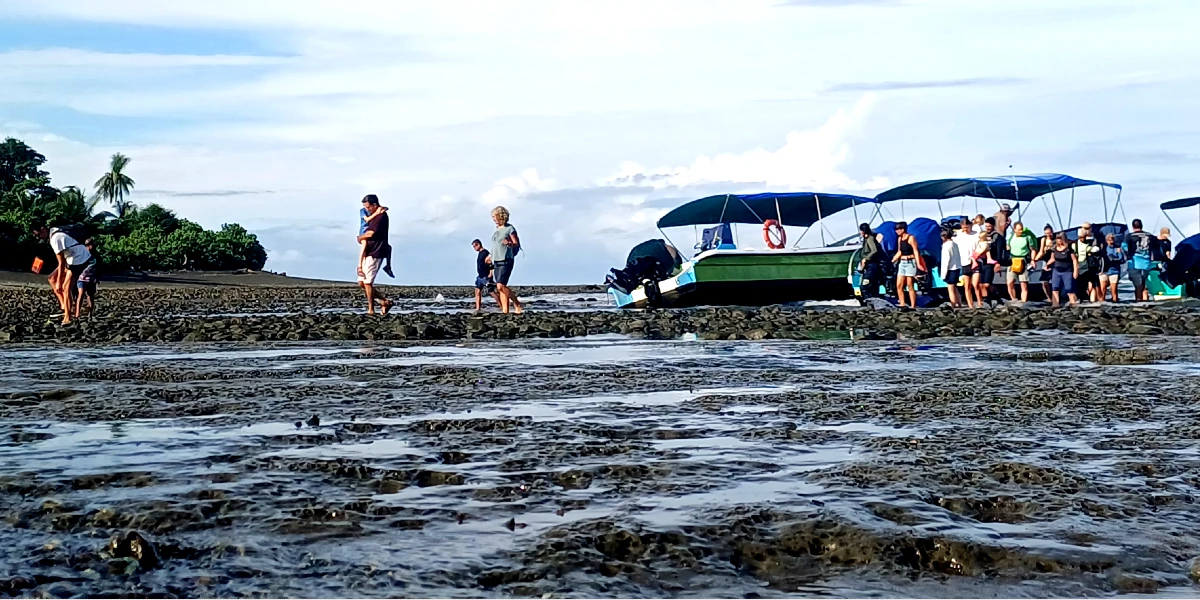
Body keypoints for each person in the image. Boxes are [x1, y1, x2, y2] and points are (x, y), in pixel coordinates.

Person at [32, 222, 94, 325]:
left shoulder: (55, 238)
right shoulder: (54, 231)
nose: (39, 238)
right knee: (52, 278)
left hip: (79, 258)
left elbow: (61, 263)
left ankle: (67, 317)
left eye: (38, 235)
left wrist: (59, 283)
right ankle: (64, 306)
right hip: (71, 257)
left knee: (65, 287)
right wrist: (56, 281)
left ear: (43, 229)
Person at [356, 194, 394, 315]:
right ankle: (384, 302)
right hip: (369, 250)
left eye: (369, 207)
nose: (367, 210)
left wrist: (360, 237)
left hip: (375, 251)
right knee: (361, 282)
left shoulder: (381, 217)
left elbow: (370, 233)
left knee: (368, 282)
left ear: (374, 205)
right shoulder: (373, 215)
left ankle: (371, 309)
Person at [490, 205, 524, 314]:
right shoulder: (496, 231)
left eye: (495, 217)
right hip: (496, 260)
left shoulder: (510, 228)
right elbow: (495, 246)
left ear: (501, 216)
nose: (494, 219)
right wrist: (490, 256)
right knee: (500, 287)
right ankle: (505, 310)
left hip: (506, 260)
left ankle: (516, 303)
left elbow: (516, 243)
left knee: (500, 286)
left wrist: (509, 243)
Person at [359, 200, 394, 280]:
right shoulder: (363, 211)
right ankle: (359, 266)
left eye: (368, 207)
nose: (367, 209)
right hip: (364, 232)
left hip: (369, 231)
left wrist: (382, 209)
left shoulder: (378, 213)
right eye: (365, 207)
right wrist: (377, 213)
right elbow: (367, 219)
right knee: (364, 247)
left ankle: (388, 266)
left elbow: (385, 208)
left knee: (388, 248)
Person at [1124, 219, 1156, 301]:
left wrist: (1126, 255)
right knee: (1142, 283)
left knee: (1138, 284)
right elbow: (1157, 248)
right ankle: (1142, 301)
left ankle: (1138, 301)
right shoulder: (1150, 236)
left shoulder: (1129, 236)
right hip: (1146, 264)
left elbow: (1124, 247)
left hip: (1134, 263)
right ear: (1142, 225)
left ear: (1133, 227)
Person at [892, 221, 922, 309]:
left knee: (910, 284)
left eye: (898, 229)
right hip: (902, 262)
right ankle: (902, 304)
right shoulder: (899, 239)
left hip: (910, 262)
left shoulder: (911, 238)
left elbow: (916, 251)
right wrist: (893, 260)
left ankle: (913, 306)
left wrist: (918, 263)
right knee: (899, 285)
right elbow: (899, 251)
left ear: (903, 229)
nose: (896, 231)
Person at [1046, 233, 1079, 307]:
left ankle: (1074, 305)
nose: (1059, 240)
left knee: (1069, 289)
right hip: (1056, 271)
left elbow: (1074, 260)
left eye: (1060, 239)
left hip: (1067, 271)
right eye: (1057, 239)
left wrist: (1076, 271)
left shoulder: (1069, 249)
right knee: (1055, 289)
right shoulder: (1055, 249)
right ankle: (1055, 305)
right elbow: (1052, 258)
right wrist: (1047, 265)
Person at [1006, 221, 1035, 303]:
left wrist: (1033, 260)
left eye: (1021, 229)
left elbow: (1033, 249)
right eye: (1019, 230)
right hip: (1013, 261)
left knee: (1023, 283)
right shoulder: (1010, 237)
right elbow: (1007, 247)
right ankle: (1013, 299)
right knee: (1010, 282)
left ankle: (1023, 302)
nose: (1021, 231)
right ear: (1014, 229)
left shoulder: (1027, 237)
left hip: (1023, 260)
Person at [953, 218, 979, 308]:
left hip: (975, 262)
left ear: (971, 225)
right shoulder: (958, 236)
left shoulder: (976, 235)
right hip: (963, 262)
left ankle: (980, 303)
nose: (965, 229)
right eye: (963, 227)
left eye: (967, 227)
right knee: (966, 286)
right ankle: (970, 305)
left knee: (976, 285)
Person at [1074, 223, 1101, 302]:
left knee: (1091, 284)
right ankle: (1087, 299)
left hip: (1089, 265)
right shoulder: (1082, 243)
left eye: (1087, 228)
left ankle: (1091, 300)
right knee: (1085, 284)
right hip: (1084, 265)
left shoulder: (1093, 239)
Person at [976, 218, 1001, 305]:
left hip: (991, 263)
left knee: (987, 284)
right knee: (981, 284)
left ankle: (997, 293)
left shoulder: (997, 236)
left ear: (993, 226)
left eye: (989, 226)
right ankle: (986, 300)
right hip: (981, 262)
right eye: (986, 226)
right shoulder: (983, 236)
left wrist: (998, 263)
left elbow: (999, 251)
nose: (988, 228)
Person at [472, 239, 501, 311]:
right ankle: (478, 308)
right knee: (477, 291)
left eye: (474, 246)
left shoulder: (485, 253)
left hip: (486, 276)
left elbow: (490, 262)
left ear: (478, 244)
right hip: (480, 276)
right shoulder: (480, 253)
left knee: (491, 292)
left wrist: (491, 273)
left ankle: (502, 305)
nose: (474, 248)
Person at [858, 223, 886, 300]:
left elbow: (874, 250)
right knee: (873, 286)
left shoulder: (870, 239)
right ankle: (874, 301)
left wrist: (866, 258)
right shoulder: (866, 239)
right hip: (870, 266)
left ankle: (869, 301)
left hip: (872, 266)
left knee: (865, 286)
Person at [74, 239, 98, 318]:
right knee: (80, 294)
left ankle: (90, 314)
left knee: (90, 296)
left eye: (91, 245)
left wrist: (97, 278)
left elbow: (100, 268)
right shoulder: (82, 254)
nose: (90, 247)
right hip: (81, 278)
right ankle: (77, 313)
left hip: (91, 279)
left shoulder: (96, 256)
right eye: (88, 245)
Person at [940, 228, 962, 307]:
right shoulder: (955, 244)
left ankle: (953, 304)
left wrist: (943, 274)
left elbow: (946, 260)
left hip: (950, 269)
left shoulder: (946, 246)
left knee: (950, 288)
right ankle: (959, 303)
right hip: (957, 267)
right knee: (955, 287)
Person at [1100, 232, 1124, 303]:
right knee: (1103, 289)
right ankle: (1102, 305)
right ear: (1106, 240)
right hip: (1104, 271)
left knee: (1114, 290)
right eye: (1109, 240)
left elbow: (1121, 260)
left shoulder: (1117, 248)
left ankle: (1115, 304)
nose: (1111, 242)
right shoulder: (1103, 248)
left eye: (1112, 240)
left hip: (1114, 270)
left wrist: (1118, 254)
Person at [1036, 224, 1056, 301]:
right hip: (1046, 260)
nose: (1048, 235)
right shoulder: (1043, 240)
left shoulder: (1055, 240)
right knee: (1044, 281)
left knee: (1055, 281)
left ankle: (1056, 297)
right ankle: (1049, 297)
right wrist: (1034, 260)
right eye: (1046, 234)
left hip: (1054, 261)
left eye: (1049, 233)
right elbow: (1041, 251)